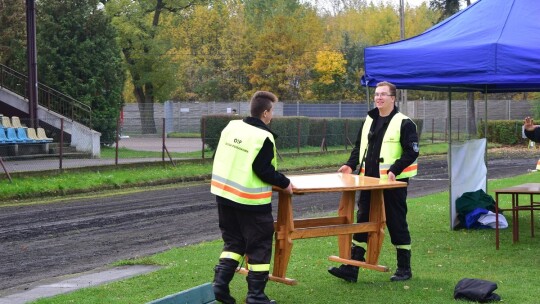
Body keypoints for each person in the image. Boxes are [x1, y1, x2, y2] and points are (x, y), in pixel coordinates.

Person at [328, 81, 419, 283]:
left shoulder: (405, 123)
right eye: (376, 94)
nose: (378, 97)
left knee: (396, 222)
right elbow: (359, 148)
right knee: (362, 221)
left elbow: (412, 151)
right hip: (367, 182)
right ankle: (352, 267)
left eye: (383, 95)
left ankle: (404, 268)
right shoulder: (369, 119)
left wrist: (395, 169)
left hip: (392, 183)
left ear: (393, 98)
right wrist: (350, 165)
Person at [210, 91, 293, 304]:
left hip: (224, 195)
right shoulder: (263, 137)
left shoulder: (232, 127)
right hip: (250, 201)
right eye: (271, 111)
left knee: (234, 242)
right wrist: (285, 183)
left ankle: (220, 284)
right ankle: (256, 296)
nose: (272, 116)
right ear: (265, 113)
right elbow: (263, 170)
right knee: (259, 246)